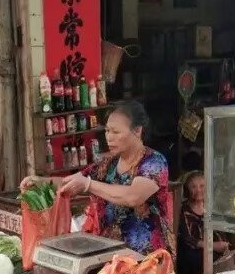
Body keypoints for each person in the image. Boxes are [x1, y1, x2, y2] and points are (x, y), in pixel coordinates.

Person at [22, 101, 173, 255]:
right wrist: (39, 182)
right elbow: (72, 181)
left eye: (116, 132)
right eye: (107, 131)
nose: (109, 137)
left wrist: (88, 184)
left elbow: (133, 197)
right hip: (109, 256)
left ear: (137, 130)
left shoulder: (154, 161)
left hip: (146, 260)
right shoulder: (106, 164)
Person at [176, 171, 230, 274]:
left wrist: (224, 245)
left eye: (202, 186)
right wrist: (212, 246)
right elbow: (187, 238)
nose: (198, 190)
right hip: (193, 257)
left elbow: (222, 230)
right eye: (193, 187)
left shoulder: (213, 208)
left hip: (215, 251)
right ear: (188, 189)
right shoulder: (182, 209)